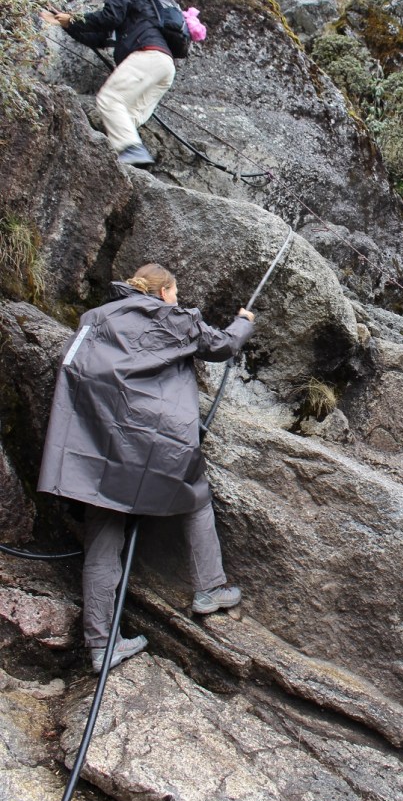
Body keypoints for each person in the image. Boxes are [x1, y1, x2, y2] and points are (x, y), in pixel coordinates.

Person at [37, 263, 254, 672]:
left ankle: (102, 646)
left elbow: (72, 370)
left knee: (103, 537)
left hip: (101, 447)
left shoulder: (96, 319)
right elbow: (223, 346)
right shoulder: (178, 319)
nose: (176, 298)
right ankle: (209, 589)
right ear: (163, 291)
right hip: (159, 445)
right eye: (174, 291)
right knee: (195, 500)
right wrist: (243, 322)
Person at [40, 0, 175, 168]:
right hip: (164, 66)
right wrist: (65, 23)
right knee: (126, 118)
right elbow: (99, 38)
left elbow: (108, 17)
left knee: (109, 98)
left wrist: (73, 19)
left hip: (147, 56)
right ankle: (127, 166)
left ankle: (132, 154)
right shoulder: (136, 5)